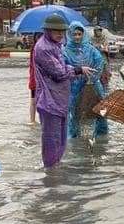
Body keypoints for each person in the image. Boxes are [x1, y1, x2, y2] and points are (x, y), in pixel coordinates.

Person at [33, 15, 95, 168]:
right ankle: (51, 171)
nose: (60, 34)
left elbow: (63, 67)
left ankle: (56, 167)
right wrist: (78, 70)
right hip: (49, 100)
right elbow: (59, 72)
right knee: (51, 139)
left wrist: (76, 69)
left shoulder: (56, 45)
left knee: (61, 138)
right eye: (56, 31)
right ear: (48, 31)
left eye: (62, 31)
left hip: (60, 99)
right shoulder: (43, 48)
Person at [62, 22, 109, 139]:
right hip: (74, 85)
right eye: (75, 34)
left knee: (101, 108)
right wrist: (77, 73)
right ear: (70, 35)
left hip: (93, 83)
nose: (77, 37)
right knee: (74, 111)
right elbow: (63, 67)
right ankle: (73, 137)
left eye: (79, 34)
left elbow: (100, 62)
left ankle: (102, 134)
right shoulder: (65, 51)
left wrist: (92, 77)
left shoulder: (90, 49)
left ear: (83, 34)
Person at [27, 34, 37, 125]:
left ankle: (34, 120)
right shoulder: (34, 49)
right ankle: (32, 120)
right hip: (35, 79)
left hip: (42, 80)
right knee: (33, 100)